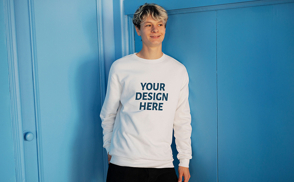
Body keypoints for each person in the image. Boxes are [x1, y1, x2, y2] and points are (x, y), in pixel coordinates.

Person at [100, 3, 192, 182]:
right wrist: (109, 147)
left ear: (165, 28)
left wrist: (185, 160)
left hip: (163, 164)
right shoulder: (121, 67)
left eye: (159, 24)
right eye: (148, 25)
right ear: (138, 30)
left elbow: (182, 119)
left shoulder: (178, 70)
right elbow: (108, 113)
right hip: (124, 163)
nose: (155, 30)